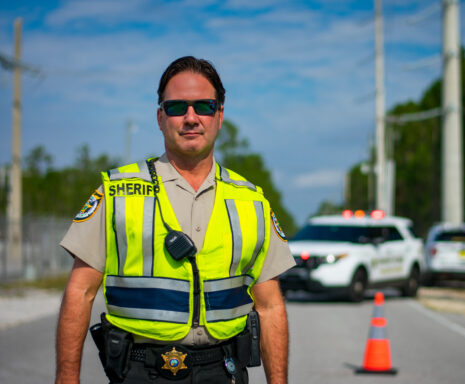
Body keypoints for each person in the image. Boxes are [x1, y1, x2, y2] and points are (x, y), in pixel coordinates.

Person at [55, 56, 295, 384]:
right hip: (140, 370)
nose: (191, 118)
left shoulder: (251, 201)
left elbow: (270, 308)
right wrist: (66, 379)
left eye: (204, 106)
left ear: (219, 115)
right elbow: (80, 292)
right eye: (177, 107)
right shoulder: (117, 192)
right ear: (160, 117)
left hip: (223, 370)